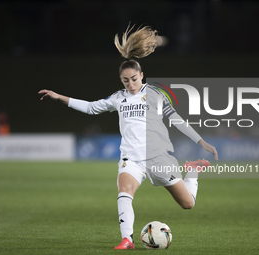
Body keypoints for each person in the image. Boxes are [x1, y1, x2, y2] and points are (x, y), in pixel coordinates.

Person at [38, 25, 218, 250]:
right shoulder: (118, 98)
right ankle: (127, 239)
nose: (131, 84)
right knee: (124, 192)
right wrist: (58, 97)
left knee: (187, 204)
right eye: (125, 81)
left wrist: (201, 141)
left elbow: (177, 120)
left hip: (158, 158)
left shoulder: (155, 95)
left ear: (142, 75)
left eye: (134, 79)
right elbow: (91, 107)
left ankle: (192, 171)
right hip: (131, 158)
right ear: (121, 81)